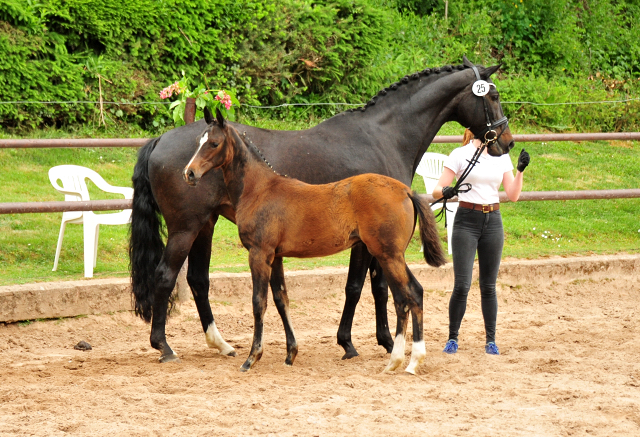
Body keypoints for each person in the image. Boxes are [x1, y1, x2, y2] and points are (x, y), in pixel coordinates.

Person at [432, 128, 530, 355]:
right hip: (466, 220)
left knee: (488, 286)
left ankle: (491, 340)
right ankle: (452, 337)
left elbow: (513, 195)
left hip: (493, 221)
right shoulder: (459, 154)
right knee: (462, 285)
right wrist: (446, 191)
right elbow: (438, 189)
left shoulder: (501, 156)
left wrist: (520, 171)